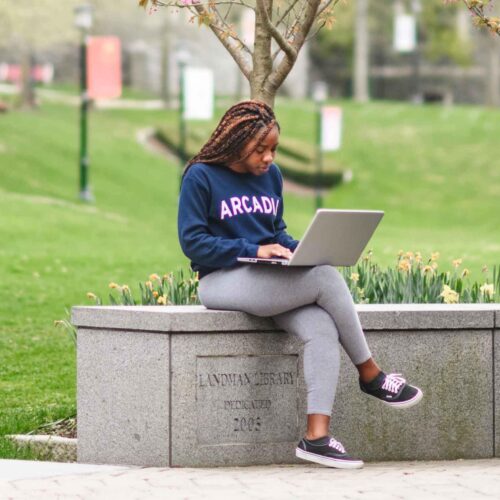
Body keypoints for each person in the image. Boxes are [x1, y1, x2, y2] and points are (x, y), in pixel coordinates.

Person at [177, 100, 422, 469]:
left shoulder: (271, 178)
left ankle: (317, 438)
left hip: (266, 279)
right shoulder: (201, 176)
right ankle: (370, 374)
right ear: (234, 141)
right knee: (324, 277)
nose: (268, 158)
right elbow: (193, 242)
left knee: (321, 326)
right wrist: (253, 250)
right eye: (260, 149)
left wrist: (298, 250)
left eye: (273, 149)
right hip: (220, 281)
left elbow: (276, 232)